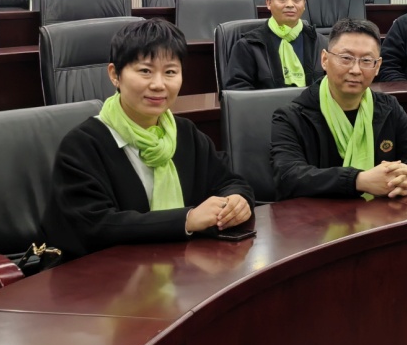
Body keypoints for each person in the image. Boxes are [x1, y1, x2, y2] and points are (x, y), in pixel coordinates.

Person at [42, 19, 254, 261]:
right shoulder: (82, 146)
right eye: (145, 71)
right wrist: (185, 220)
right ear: (115, 75)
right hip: (106, 275)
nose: (158, 85)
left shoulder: (185, 133)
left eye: (170, 72)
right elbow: (94, 226)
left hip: (183, 270)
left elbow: (230, 181)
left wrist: (237, 201)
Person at [271, 18, 407, 199]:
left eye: (366, 60)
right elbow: (288, 176)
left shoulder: (388, 107)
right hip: (319, 214)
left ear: (377, 66)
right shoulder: (291, 116)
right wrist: (359, 180)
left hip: (379, 212)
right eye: (346, 58)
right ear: (324, 59)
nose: (355, 70)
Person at [223, 0, 322, 91]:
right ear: (269, 3)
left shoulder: (320, 43)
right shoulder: (248, 46)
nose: (290, 5)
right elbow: (237, 93)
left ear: (304, 4)